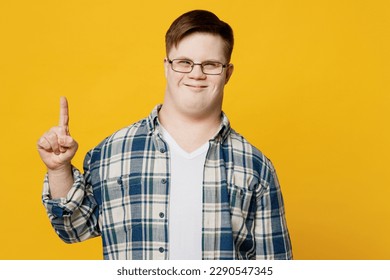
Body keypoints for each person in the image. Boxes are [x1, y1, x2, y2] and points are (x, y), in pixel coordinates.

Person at [37, 9, 292, 260]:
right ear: (166, 66)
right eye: (184, 62)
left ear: (227, 73)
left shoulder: (255, 166)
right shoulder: (111, 153)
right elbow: (73, 229)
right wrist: (59, 170)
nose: (196, 73)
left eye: (211, 64)